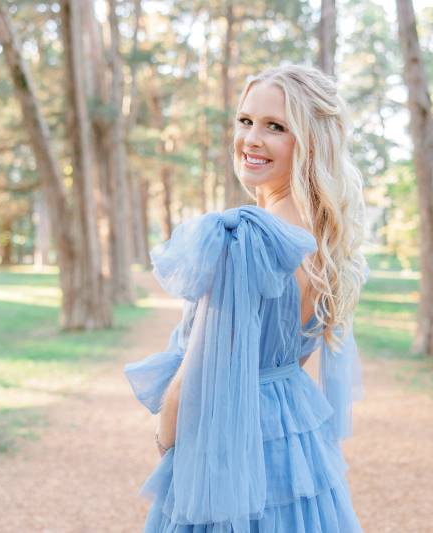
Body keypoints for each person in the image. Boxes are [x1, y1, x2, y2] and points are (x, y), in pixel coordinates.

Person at [124, 64, 368, 533]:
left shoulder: (245, 237)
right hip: (296, 440)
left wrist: (167, 436)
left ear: (311, 140)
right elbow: (293, 357)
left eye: (275, 127)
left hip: (229, 432)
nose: (251, 139)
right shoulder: (324, 234)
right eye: (245, 121)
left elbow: (202, 368)